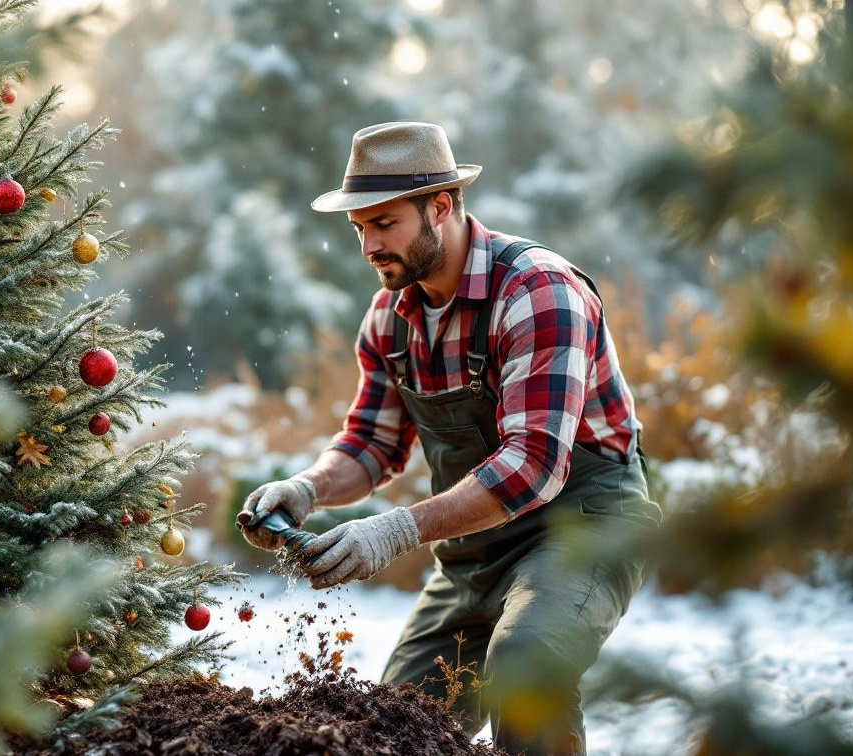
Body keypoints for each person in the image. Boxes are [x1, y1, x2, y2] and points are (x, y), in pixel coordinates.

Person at [236, 122, 663, 756]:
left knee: (525, 666)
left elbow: (533, 465)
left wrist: (395, 530)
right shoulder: (390, 317)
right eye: (359, 228)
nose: (368, 246)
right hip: (473, 554)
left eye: (384, 224)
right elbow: (371, 445)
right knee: (395, 727)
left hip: (584, 527)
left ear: (441, 205)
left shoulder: (539, 293)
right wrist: (306, 489)